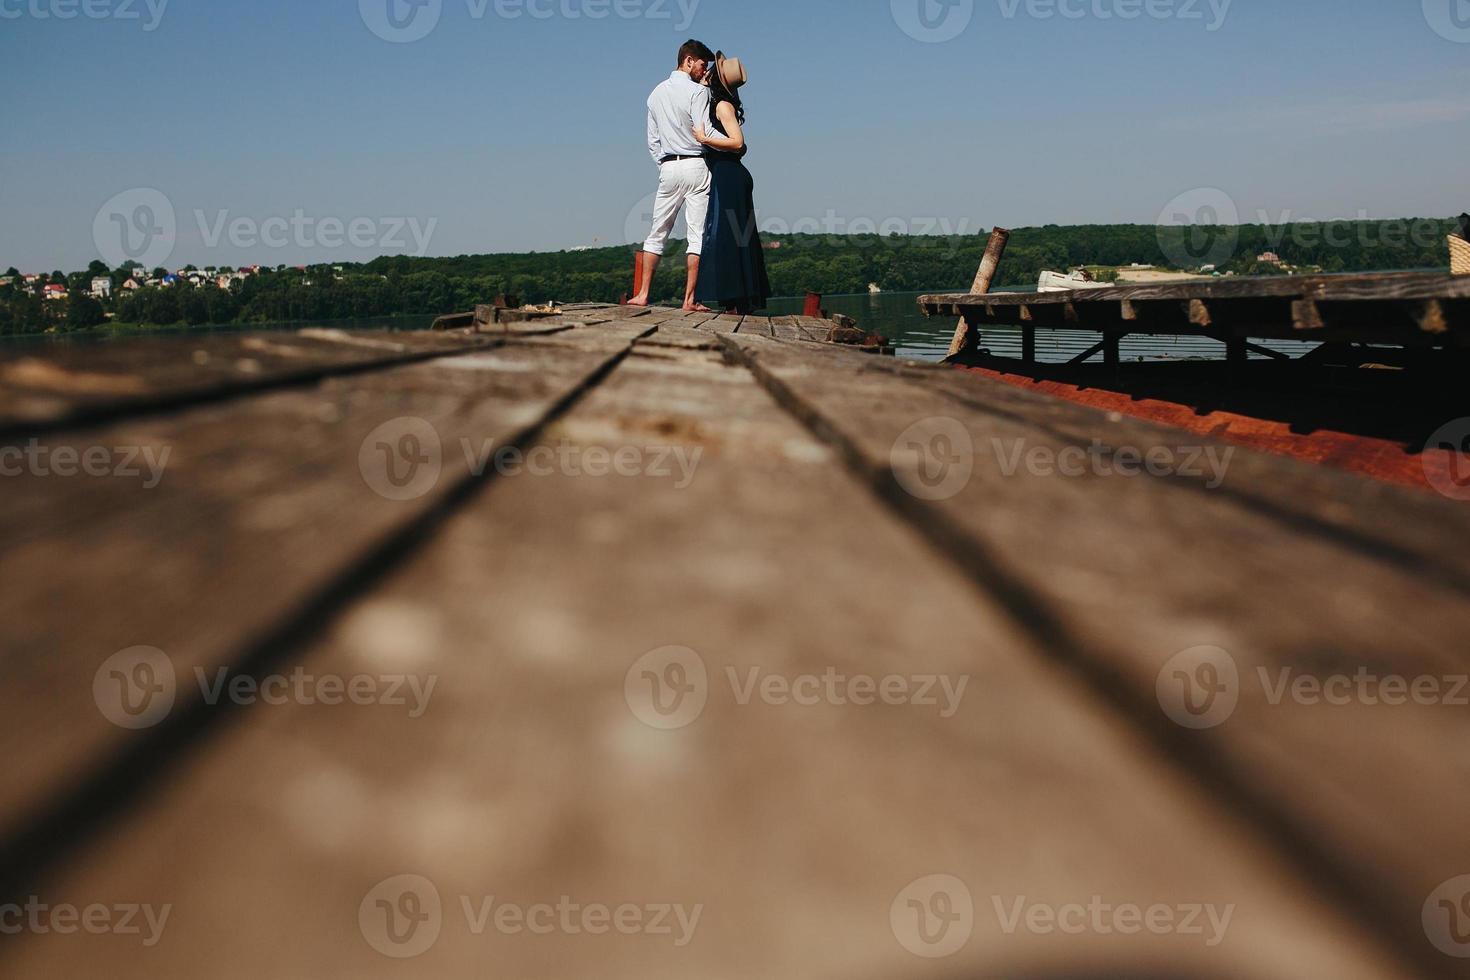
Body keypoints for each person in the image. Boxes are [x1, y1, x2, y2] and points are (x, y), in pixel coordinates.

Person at [631, 39, 716, 311]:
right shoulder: (698, 92)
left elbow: (652, 140)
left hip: (668, 167)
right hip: (695, 164)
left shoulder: (655, 93)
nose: (704, 71)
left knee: (657, 231)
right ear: (688, 60)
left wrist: (664, 165)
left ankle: (643, 294)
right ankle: (689, 300)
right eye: (702, 65)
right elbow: (705, 132)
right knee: (697, 234)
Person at [693, 53, 770, 315]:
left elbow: (738, 142)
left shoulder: (722, 106)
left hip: (729, 174)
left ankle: (736, 301)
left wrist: (705, 138)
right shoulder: (718, 103)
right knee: (733, 235)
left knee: (729, 235)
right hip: (729, 173)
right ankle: (736, 300)